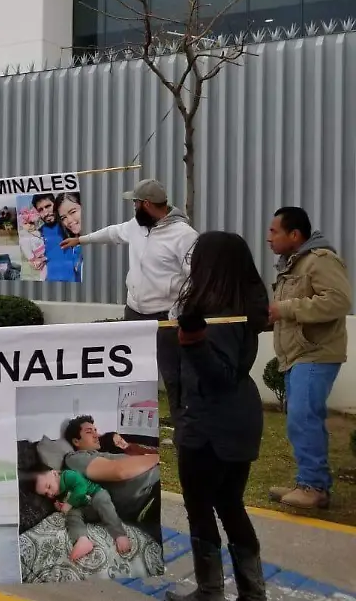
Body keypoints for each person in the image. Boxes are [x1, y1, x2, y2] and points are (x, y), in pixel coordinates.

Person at [165, 231, 269, 601]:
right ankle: (252, 593)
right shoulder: (240, 304)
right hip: (238, 418)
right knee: (229, 504)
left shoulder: (220, 312)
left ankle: (210, 592)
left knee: (201, 506)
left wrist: (193, 341)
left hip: (212, 425)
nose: (191, 262)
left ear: (211, 263)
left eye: (197, 256)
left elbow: (220, 376)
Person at [60, 179, 198, 423]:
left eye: (135, 203)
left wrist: (179, 310)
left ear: (146, 204)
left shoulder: (184, 235)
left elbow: (194, 276)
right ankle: (132, 419)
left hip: (165, 316)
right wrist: (80, 240)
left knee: (172, 372)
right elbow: (112, 232)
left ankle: (181, 421)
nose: (133, 208)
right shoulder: (137, 226)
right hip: (134, 310)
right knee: (132, 369)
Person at [266, 206, 351, 510]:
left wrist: (285, 309)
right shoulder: (292, 265)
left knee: (304, 417)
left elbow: (339, 301)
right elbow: (293, 309)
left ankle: (313, 486)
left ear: (295, 234)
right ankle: (308, 481)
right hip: (297, 355)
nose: (268, 238)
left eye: (274, 231)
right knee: (300, 419)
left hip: (315, 354)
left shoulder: (320, 261)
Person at [62, 415, 162, 542]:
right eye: (89, 432)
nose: (96, 435)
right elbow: (120, 471)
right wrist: (158, 458)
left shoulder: (100, 453)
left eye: (95, 430)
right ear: (76, 441)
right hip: (149, 497)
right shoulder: (75, 458)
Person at [31, 467, 129, 562]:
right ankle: (82, 540)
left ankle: (119, 534)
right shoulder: (58, 495)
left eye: (48, 486)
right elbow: (69, 507)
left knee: (101, 499)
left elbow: (81, 487)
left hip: (95, 496)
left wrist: (68, 504)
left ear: (54, 473)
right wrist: (60, 507)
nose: (50, 493)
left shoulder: (68, 476)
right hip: (87, 510)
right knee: (72, 515)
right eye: (46, 494)